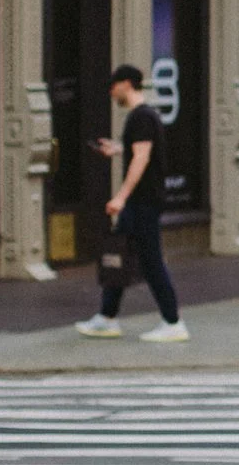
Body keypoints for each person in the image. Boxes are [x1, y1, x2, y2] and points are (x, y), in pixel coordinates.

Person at [75, 67, 187, 342]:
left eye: (113, 86)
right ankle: (106, 317)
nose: (111, 92)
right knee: (118, 257)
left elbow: (142, 158)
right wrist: (118, 148)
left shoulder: (141, 117)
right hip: (140, 202)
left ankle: (173, 322)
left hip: (143, 202)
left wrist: (121, 197)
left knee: (150, 261)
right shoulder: (144, 117)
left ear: (126, 84)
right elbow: (141, 150)